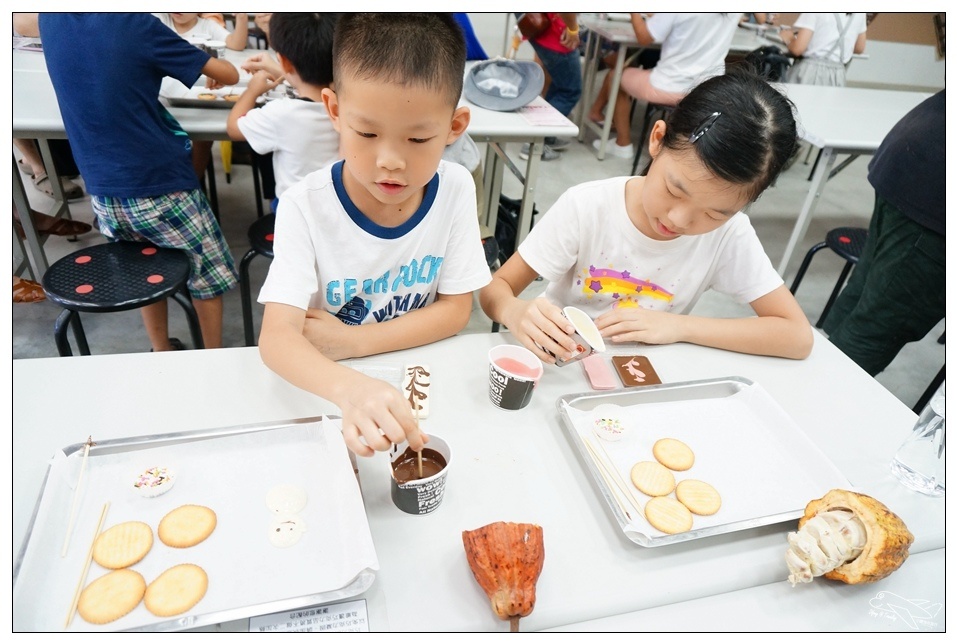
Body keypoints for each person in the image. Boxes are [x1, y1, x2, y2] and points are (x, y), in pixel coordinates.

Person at [257, 14, 492, 458]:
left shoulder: (455, 187)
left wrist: (354, 342)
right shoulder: (304, 206)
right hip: (331, 392)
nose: (390, 161)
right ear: (334, 111)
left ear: (454, 128)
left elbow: (457, 310)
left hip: (416, 383)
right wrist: (349, 388)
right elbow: (277, 338)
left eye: (419, 139)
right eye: (366, 133)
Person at [479, 67, 813, 362]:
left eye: (714, 213)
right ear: (657, 139)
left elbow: (796, 336)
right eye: (674, 190)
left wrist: (680, 326)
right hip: (560, 363)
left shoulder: (729, 234)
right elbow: (496, 290)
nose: (680, 220)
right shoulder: (588, 206)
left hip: (639, 377)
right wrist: (515, 310)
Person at [37, 12, 241, 351]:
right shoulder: (136, 24)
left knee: (146, 265)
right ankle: (212, 358)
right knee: (207, 276)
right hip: (160, 183)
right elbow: (228, 73)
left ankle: (160, 348)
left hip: (103, 192)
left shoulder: (51, 20)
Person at [822, 91, 945, 377]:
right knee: (880, 323)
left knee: (867, 293)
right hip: (934, 189)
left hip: (918, 153)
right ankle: (818, 400)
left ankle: (819, 378)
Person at [226, 13, 340, 212]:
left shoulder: (280, 113)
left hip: (293, 210)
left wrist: (252, 90)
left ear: (285, 62)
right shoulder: (348, 105)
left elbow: (233, 128)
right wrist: (282, 71)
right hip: (337, 208)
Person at [602, 13, 741, 159]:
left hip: (671, 86)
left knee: (615, 76)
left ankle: (622, 144)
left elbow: (643, 37)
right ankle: (596, 114)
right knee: (633, 70)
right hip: (708, 89)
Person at [153, 12, 249, 181]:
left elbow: (236, 44)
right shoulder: (160, 20)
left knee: (204, 139)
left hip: (196, 95)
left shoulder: (207, 26)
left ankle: (193, 181)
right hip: (162, 97)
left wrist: (241, 17)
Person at [518, 12, 581, 161]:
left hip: (538, 25)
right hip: (556, 33)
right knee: (570, 91)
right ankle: (534, 142)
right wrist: (572, 29)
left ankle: (546, 136)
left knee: (560, 85)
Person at [781, 13, 867, 86]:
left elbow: (797, 49)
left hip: (809, 71)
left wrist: (789, 38)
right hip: (839, 74)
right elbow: (859, 48)